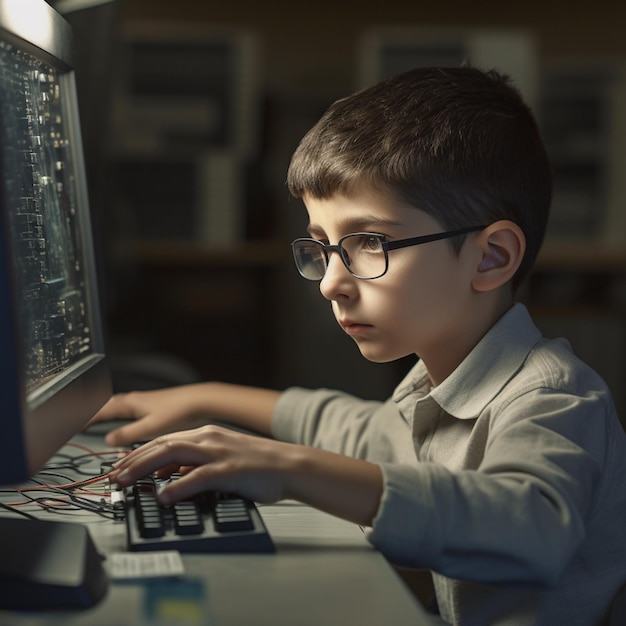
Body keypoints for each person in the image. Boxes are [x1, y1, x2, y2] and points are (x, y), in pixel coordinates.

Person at [97, 66, 626, 625]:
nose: (330, 282)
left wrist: (289, 468)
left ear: (491, 257)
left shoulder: (554, 397)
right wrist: (206, 398)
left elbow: (529, 528)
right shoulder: (440, 382)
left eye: (369, 243)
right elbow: (354, 428)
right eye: (322, 246)